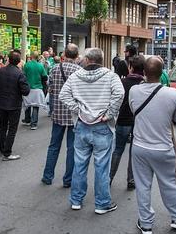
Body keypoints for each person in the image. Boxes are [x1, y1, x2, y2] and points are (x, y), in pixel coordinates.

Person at [59, 47, 125, 214]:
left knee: (79, 165)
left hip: (81, 125)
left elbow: (63, 95)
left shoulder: (75, 77)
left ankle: (76, 200)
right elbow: (120, 94)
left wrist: (78, 110)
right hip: (103, 126)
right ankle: (102, 203)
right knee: (102, 166)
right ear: (102, 60)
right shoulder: (111, 76)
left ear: (87, 60)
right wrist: (109, 113)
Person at [130, 56, 176, 234]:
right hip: (163, 148)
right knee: (169, 183)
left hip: (139, 147)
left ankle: (146, 223)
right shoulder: (172, 93)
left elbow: (134, 111)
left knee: (143, 186)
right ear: (162, 73)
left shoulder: (134, 91)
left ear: (144, 73)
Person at [41, 43, 82, 187]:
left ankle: (47, 176)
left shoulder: (55, 68)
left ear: (64, 54)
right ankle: (68, 180)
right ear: (77, 56)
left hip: (58, 113)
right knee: (72, 148)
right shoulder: (80, 71)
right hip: (73, 115)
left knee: (53, 146)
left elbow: (50, 88)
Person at [110, 54, 145, 190]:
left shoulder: (122, 83)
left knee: (118, 150)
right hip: (139, 123)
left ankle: (109, 177)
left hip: (123, 121)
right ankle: (131, 180)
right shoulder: (145, 85)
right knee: (133, 152)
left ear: (130, 67)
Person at [0, 50, 30, 161]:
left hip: (2, 103)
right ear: (19, 61)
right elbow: (26, 91)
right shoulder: (19, 73)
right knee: (12, 129)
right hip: (14, 105)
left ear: (8, 59)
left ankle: (2, 149)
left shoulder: (0, 71)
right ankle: (7, 153)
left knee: (3, 127)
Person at [22, 51, 47, 130]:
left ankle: (27, 120)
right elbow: (45, 77)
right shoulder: (40, 65)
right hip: (37, 88)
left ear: (31, 56)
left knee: (27, 104)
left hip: (28, 88)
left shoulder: (26, 65)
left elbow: (23, 76)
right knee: (36, 106)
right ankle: (34, 124)